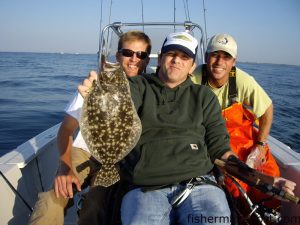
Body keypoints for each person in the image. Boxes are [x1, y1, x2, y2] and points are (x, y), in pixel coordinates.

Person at [78, 31, 296, 225]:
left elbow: (221, 152)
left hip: (201, 187)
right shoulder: (136, 87)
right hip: (144, 188)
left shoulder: (203, 97)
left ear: (192, 66)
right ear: (161, 58)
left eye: (185, 57)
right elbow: (118, 106)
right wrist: (97, 95)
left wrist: (265, 179)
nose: (176, 61)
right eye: (171, 54)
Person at [28, 30, 152, 225]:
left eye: (141, 55)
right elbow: (65, 130)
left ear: (147, 61)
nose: (134, 59)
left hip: (118, 156)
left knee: (97, 204)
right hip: (84, 152)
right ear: (118, 55)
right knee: (51, 200)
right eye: (127, 53)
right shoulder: (93, 86)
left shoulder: (150, 91)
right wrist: (65, 167)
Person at [190, 34, 281, 220]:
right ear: (206, 56)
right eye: (215, 55)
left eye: (226, 57)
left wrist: (260, 146)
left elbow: (267, 109)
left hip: (243, 140)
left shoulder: (241, 80)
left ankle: (268, 216)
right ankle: (237, 217)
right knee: (234, 182)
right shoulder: (193, 79)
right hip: (211, 142)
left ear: (234, 62)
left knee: (271, 175)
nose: (219, 62)